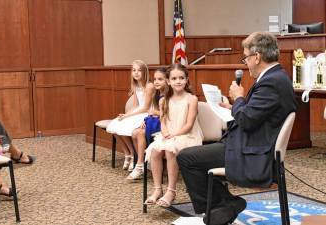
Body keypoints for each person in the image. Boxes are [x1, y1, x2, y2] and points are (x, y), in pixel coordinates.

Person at [177, 31, 298, 225]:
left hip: (254, 152)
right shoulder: (276, 77)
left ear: (257, 57)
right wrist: (232, 107)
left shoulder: (271, 82)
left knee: (187, 157)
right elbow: (256, 114)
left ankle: (223, 205)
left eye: (246, 58)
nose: (246, 63)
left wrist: (239, 98)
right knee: (198, 156)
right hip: (251, 143)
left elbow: (248, 120)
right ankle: (223, 206)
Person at [144, 64, 203, 207]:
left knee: (170, 149)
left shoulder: (191, 99)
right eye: (174, 78)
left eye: (181, 78)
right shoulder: (163, 100)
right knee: (155, 150)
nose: (178, 81)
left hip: (187, 136)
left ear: (186, 80)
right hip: (169, 135)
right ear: (168, 81)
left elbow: (189, 125)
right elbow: (163, 122)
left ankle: (171, 191)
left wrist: (174, 134)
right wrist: (165, 133)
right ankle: (158, 189)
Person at [106, 60, 154, 172]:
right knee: (115, 125)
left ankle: (133, 155)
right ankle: (128, 153)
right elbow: (136, 105)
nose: (136, 73)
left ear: (145, 72)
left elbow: (145, 107)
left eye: (139, 70)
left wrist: (128, 116)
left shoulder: (149, 86)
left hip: (146, 113)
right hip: (138, 111)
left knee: (126, 126)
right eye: (134, 70)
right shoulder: (136, 85)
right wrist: (125, 114)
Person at [127, 68, 168, 181]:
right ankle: (143, 161)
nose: (156, 82)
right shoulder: (158, 93)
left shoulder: (169, 95)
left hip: (167, 124)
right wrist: (146, 119)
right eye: (155, 79)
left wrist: (154, 113)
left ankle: (140, 165)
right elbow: (153, 111)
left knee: (140, 133)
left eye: (160, 79)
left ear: (167, 80)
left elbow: (168, 115)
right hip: (157, 120)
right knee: (135, 132)